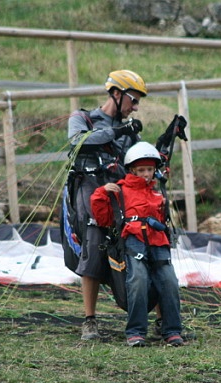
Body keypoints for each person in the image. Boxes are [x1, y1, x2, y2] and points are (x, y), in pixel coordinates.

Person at [66, 70, 147, 340]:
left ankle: (160, 319)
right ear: (116, 93)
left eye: (137, 102)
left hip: (121, 191)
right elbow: (78, 143)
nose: (135, 107)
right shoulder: (82, 118)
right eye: (133, 100)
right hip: (89, 189)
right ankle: (89, 320)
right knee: (94, 239)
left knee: (144, 237)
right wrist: (117, 131)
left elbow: (139, 163)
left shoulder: (130, 132)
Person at [90, 142, 184, 347]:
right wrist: (102, 193)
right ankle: (136, 332)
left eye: (149, 169)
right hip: (133, 242)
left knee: (169, 281)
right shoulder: (120, 191)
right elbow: (103, 219)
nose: (146, 174)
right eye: (141, 170)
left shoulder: (157, 193)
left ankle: (172, 330)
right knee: (138, 280)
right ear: (132, 170)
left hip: (158, 242)